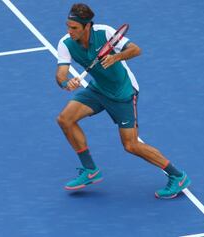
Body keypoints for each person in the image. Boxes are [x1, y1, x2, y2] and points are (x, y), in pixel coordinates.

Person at [55, 3, 191, 199]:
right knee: (65, 119)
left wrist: (116, 57)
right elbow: (60, 74)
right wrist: (66, 83)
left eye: (74, 27)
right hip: (99, 89)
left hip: (123, 93)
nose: (69, 31)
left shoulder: (105, 33)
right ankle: (90, 170)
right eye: (68, 26)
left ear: (87, 26)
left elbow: (136, 50)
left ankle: (177, 176)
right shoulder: (65, 42)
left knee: (131, 145)